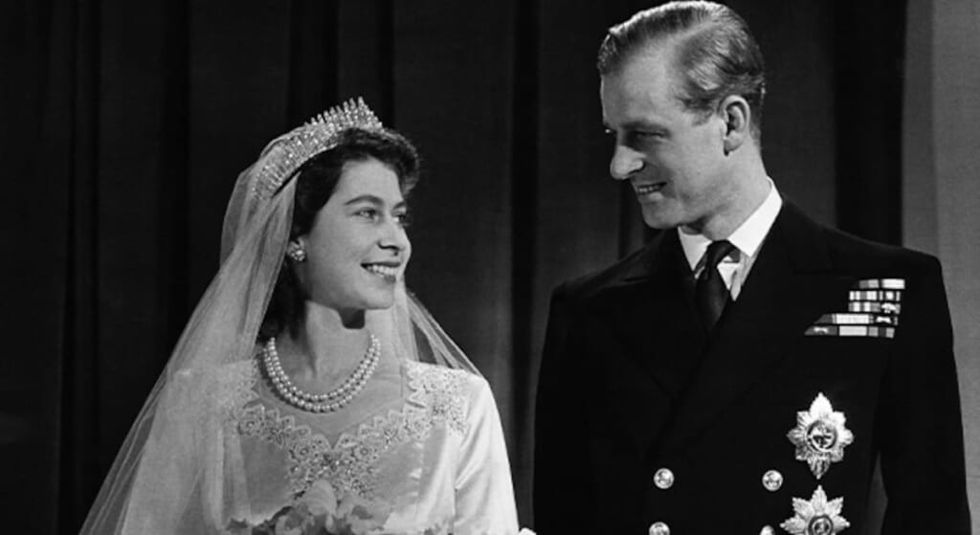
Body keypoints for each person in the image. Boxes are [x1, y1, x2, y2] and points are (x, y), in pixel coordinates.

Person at [533, 2, 971, 534]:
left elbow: (932, 519)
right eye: (613, 136)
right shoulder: (588, 312)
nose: (619, 165)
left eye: (644, 136)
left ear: (731, 123)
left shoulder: (885, 291)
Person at [81, 99, 521, 534]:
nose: (397, 242)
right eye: (368, 213)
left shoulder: (458, 408)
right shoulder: (202, 407)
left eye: (400, 218)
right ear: (295, 236)